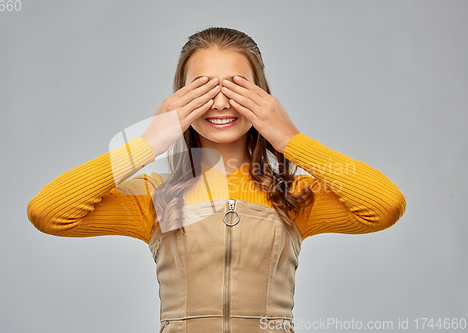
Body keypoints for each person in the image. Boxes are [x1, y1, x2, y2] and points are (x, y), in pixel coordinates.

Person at [27, 26, 407, 333]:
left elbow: (385, 205)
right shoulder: (155, 195)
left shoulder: (293, 195)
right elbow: (48, 213)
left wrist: (290, 139)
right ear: (181, 97)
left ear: (262, 97)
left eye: (236, 87)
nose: (221, 103)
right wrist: (147, 143)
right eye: (204, 88)